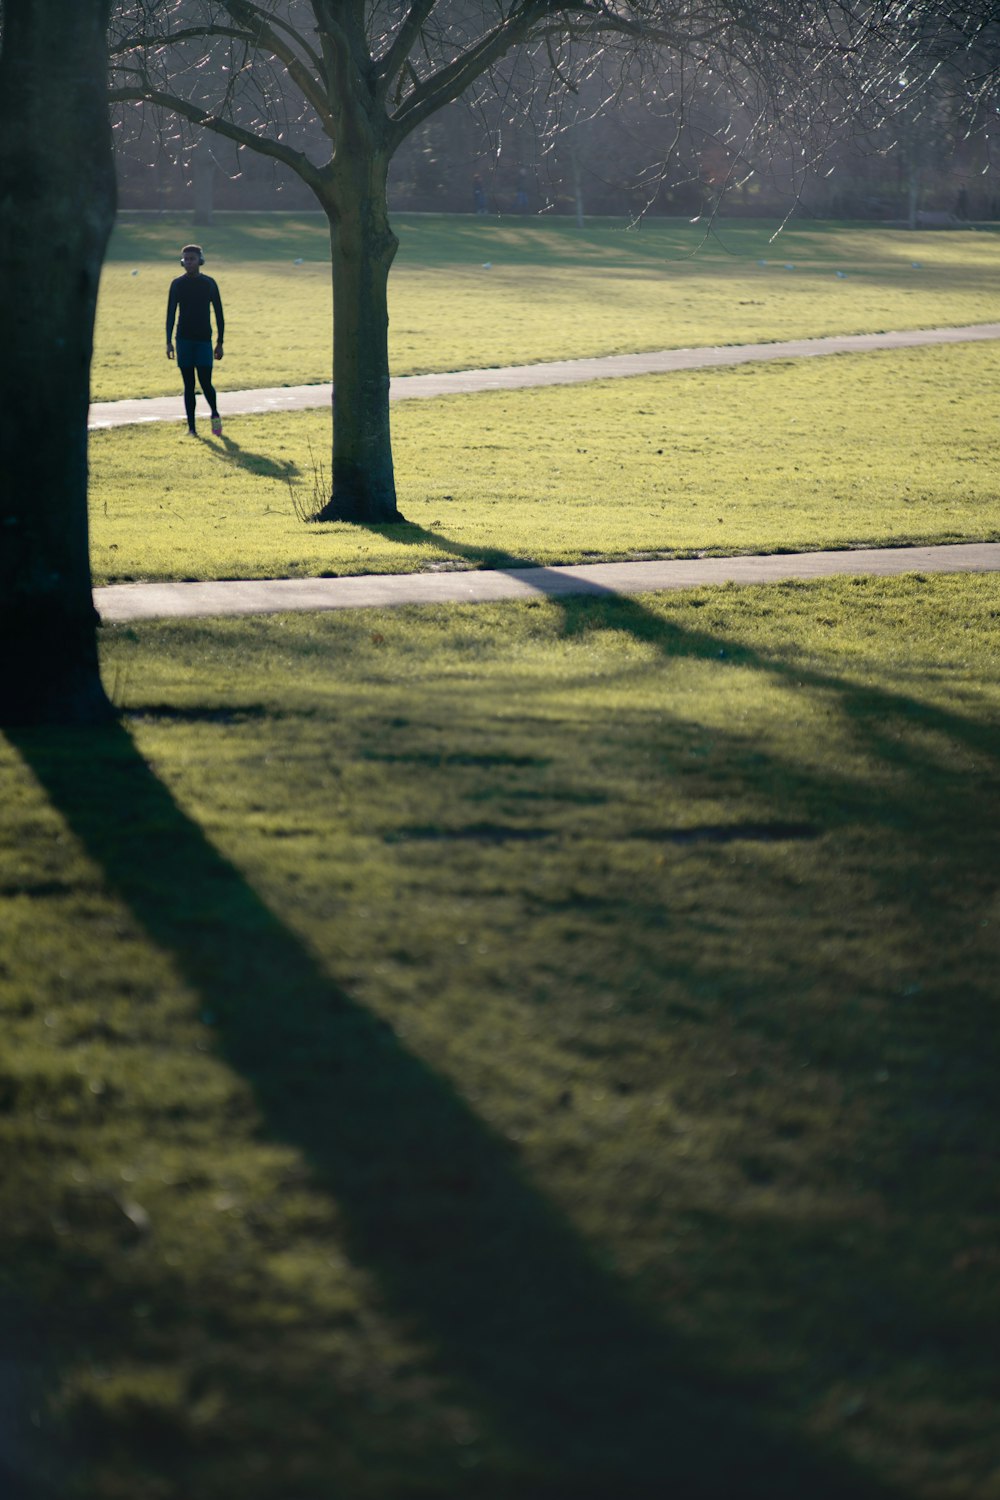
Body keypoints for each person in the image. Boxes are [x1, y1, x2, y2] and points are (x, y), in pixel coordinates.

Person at [166, 244, 225, 437]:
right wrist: (168, 341)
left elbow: (219, 314)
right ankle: (191, 428)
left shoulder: (209, 283)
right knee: (188, 384)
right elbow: (170, 314)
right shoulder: (177, 284)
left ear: (200, 261)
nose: (188, 262)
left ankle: (214, 413)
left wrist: (220, 342)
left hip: (203, 341)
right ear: (182, 262)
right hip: (183, 340)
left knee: (206, 382)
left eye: (192, 259)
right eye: (185, 259)